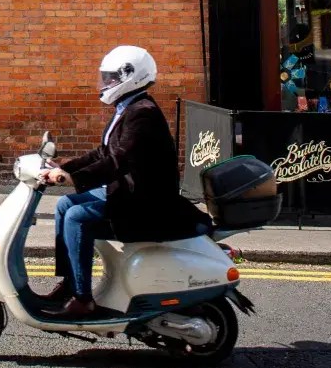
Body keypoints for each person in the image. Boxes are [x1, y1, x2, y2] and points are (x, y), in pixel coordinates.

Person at [39, 45, 210, 319]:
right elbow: (103, 152)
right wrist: (64, 168)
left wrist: (75, 178)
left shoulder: (143, 113)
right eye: (105, 77)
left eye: (111, 77)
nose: (105, 83)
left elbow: (119, 160)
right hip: (128, 193)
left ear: (131, 76)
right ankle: (70, 284)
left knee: (77, 216)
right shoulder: (128, 107)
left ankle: (83, 299)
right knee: (65, 205)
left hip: (145, 203)